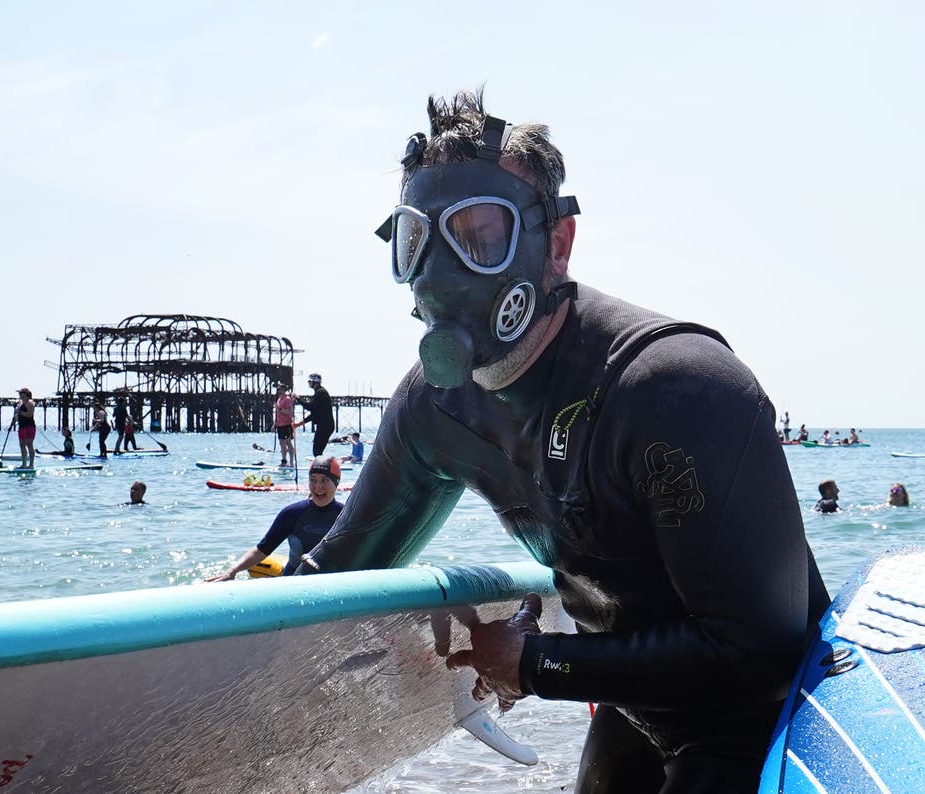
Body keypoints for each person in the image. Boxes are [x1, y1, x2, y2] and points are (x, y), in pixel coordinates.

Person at [295, 91, 829, 792]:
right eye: (416, 242)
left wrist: (535, 664)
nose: (441, 274)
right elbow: (336, 575)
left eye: (478, 237)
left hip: (764, 723)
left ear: (557, 244)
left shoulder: (676, 388)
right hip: (633, 708)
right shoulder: (435, 408)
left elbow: (758, 652)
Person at [206, 456, 344, 581]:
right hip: (294, 581)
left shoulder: (345, 516)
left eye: (324, 480)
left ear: (336, 483)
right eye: (313, 480)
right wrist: (231, 571)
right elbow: (262, 549)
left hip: (333, 582)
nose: (318, 487)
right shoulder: (292, 513)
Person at [295, 373, 335, 457]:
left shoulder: (321, 393)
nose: (308, 383)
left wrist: (298, 399)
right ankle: (322, 463)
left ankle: (325, 464)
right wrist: (299, 424)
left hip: (326, 425)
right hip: (324, 425)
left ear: (315, 382)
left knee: (317, 450)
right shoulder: (318, 392)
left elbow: (310, 407)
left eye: (309, 381)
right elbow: (314, 413)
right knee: (317, 450)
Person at [10, 388, 37, 469]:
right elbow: (16, 416)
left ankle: (31, 464)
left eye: (22, 393)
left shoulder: (30, 403)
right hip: (21, 427)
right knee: (22, 445)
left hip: (29, 426)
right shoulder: (20, 403)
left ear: (26, 394)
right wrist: (11, 425)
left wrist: (20, 412)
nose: (20, 395)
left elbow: (30, 414)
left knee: (29, 444)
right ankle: (24, 464)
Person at [274, 384, 296, 466]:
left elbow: (289, 411)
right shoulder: (279, 399)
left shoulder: (287, 399)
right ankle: (284, 461)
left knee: (288, 442)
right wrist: (274, 424)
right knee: (281, 443)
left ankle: (291, 462)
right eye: (278, 389)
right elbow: (277, 413)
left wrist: (280, 409)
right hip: (280, 424)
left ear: (284, 390)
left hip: (287, 424)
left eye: (280, 389)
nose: (279, 391)